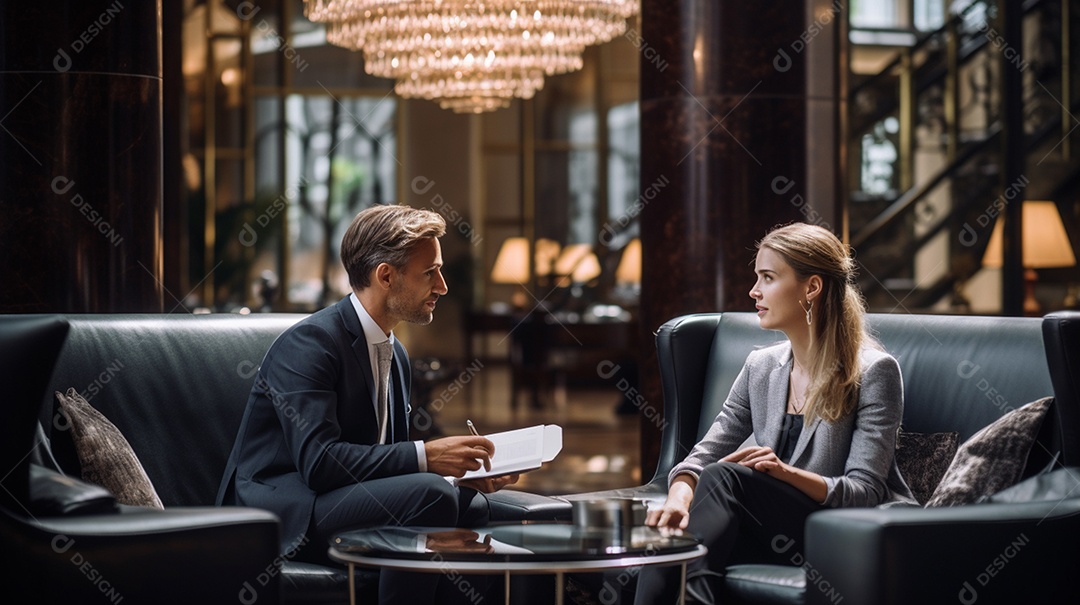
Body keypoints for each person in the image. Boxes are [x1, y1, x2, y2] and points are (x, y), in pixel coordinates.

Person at [217, 204, 518, 603]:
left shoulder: (397, 355)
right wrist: (427, 458)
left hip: (338, 499)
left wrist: (459, 477)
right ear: (386, 276)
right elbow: (321, 463)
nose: (442, 286)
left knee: (471, 505)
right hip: (283, 509)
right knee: (431, 494)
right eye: (430, 272)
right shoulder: (310, 344)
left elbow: (385, 465)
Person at [634, 222, 915, 604]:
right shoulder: (760, 367)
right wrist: (679, 499)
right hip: (774, 524)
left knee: (726, 477)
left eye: (768, 277)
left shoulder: (874, 372)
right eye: (757, 277)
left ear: (811, 287)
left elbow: (864, 493)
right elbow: (704, 454)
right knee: (669, 534)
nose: (754, 291)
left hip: (844, 527)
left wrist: (783, 473)